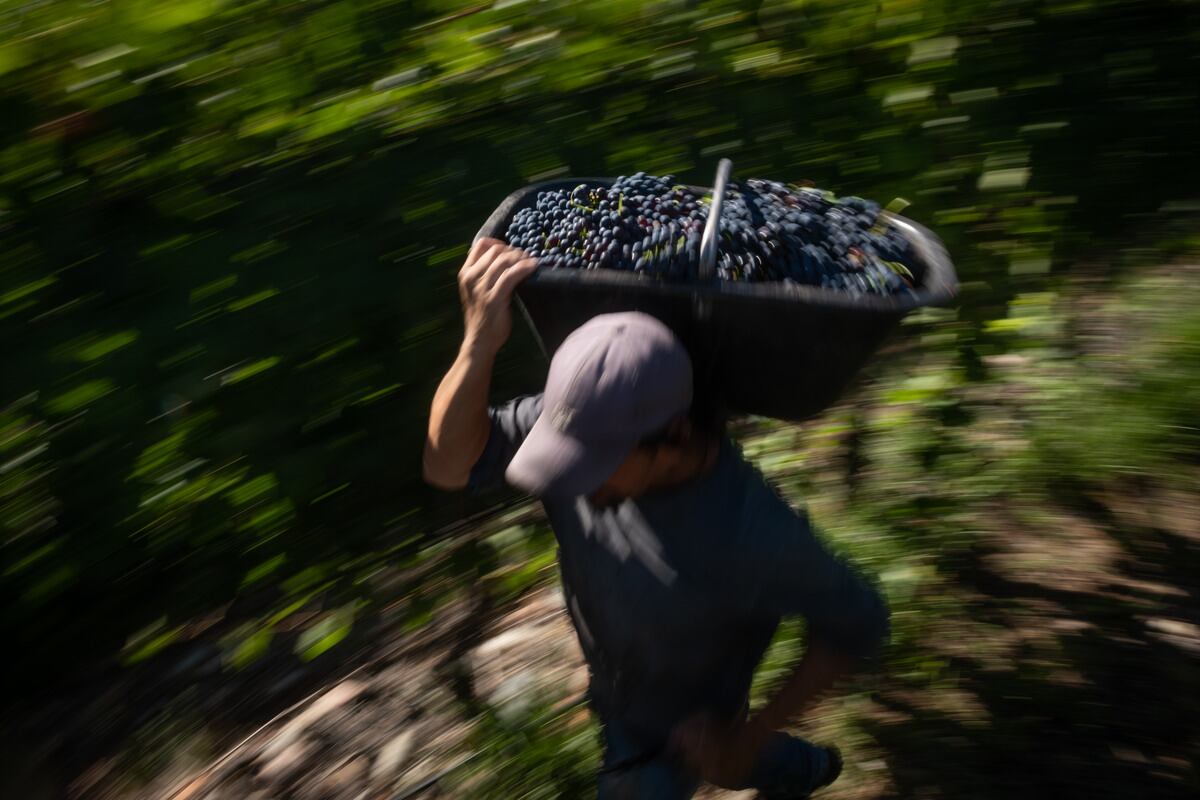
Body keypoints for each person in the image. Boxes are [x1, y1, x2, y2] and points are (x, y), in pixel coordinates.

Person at [423, 238, 889, 799]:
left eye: (593, 465)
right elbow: (447, 467)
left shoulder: (747, 531)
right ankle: (804, 768)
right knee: (738, 766)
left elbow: (859, 619)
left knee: (720, 761)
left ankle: (772, 760)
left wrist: (750, 732)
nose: (566, 478)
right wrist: (477, 344)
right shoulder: (577, 420)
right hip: (618, 694)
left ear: (672, 441)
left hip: (682, 728)